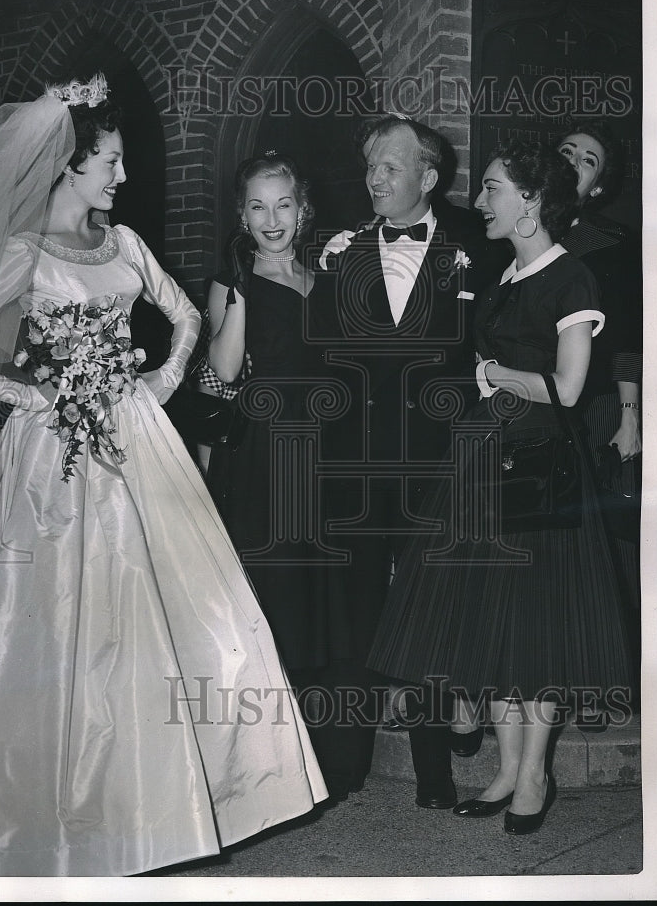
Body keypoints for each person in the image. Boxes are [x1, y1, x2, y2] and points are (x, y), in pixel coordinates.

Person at [0, 74, 327, 878]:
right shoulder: (21, 253)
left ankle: (169, 805)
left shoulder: (126, 245)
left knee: (193, 616)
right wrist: (33, 395)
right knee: (45, 631)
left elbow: (188, 316)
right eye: (109, 162)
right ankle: (40, 810)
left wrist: (162, 384)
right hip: (51, 456)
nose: (122, 177)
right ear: (68, 165)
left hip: (138, 440)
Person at [367, 140, 634, 834]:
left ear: (531, 201)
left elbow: (570, 389)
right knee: (496, 621)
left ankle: (536, 774)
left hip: (541, 466)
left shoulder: (570, 277)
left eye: (492, 189)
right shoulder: (506, 276)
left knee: (536, 625)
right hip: (487, 455)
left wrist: (495, 379)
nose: (480, 201)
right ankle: (508, 770)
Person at [317, 114, 506, 810]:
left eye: (389, 166)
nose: (373, 178)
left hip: (437, 462)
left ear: (427, 177)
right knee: (358, 608)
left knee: (430, 613)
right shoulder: (339, 252)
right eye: (369, 166)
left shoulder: (473, 252)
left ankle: (434, 768)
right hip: (358, 465)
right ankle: (346, 763)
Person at [200, 151, 380, 801]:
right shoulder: (229, 281)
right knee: (270, 611)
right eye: (257, 205)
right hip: (267, 461)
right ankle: (262, 771)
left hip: (330, 462)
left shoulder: (327, 279)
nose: (271, 218)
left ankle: (330, 764)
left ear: (302, 210)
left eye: (283, 204)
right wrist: (243, 289)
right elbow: (222, 372)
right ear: (241, 215)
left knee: (327, 612)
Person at [557, 120, 642, 683]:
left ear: (600, 185)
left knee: (603, 550)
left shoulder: (612, 242)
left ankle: (604, 681)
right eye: (567, 151)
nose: (574, 162)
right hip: (531, 405)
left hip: (596, 409)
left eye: (588, 159)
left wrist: (630, 417)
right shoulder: (509, 226)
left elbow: (630, 332)